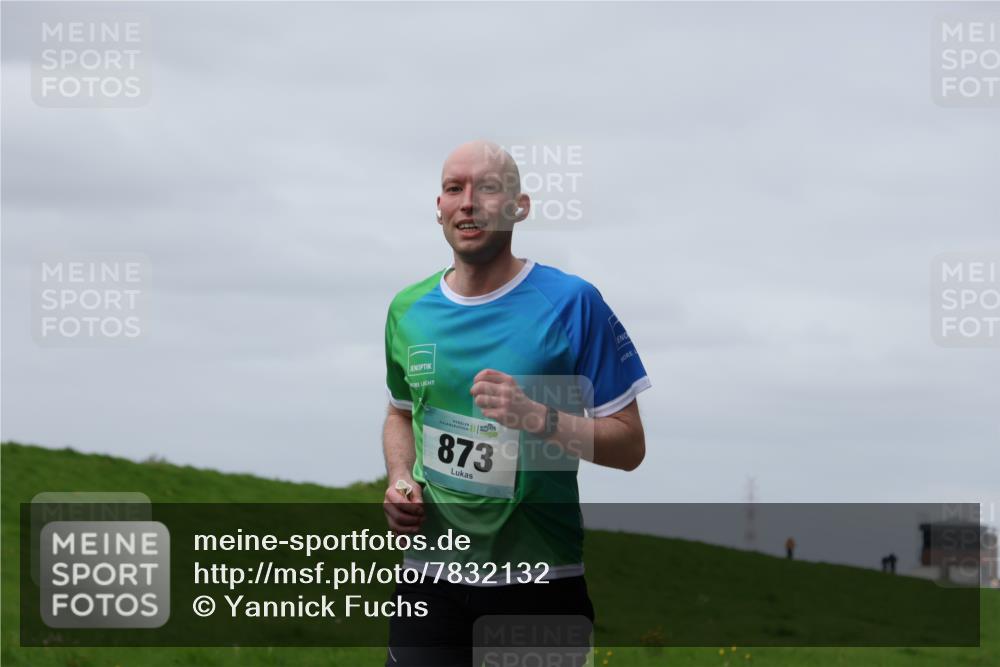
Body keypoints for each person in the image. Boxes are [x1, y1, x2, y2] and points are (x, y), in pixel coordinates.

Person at [381, 140, 651, 666]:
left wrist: (538, 417)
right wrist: (399, 475)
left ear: (519, 206)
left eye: (487, 188)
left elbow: (630, 444)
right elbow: (399, 412)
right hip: (429, 580)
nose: (468, 202)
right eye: (453, 188)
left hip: (539, 584)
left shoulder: (572, 303)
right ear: (438, 207)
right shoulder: (408, 310)